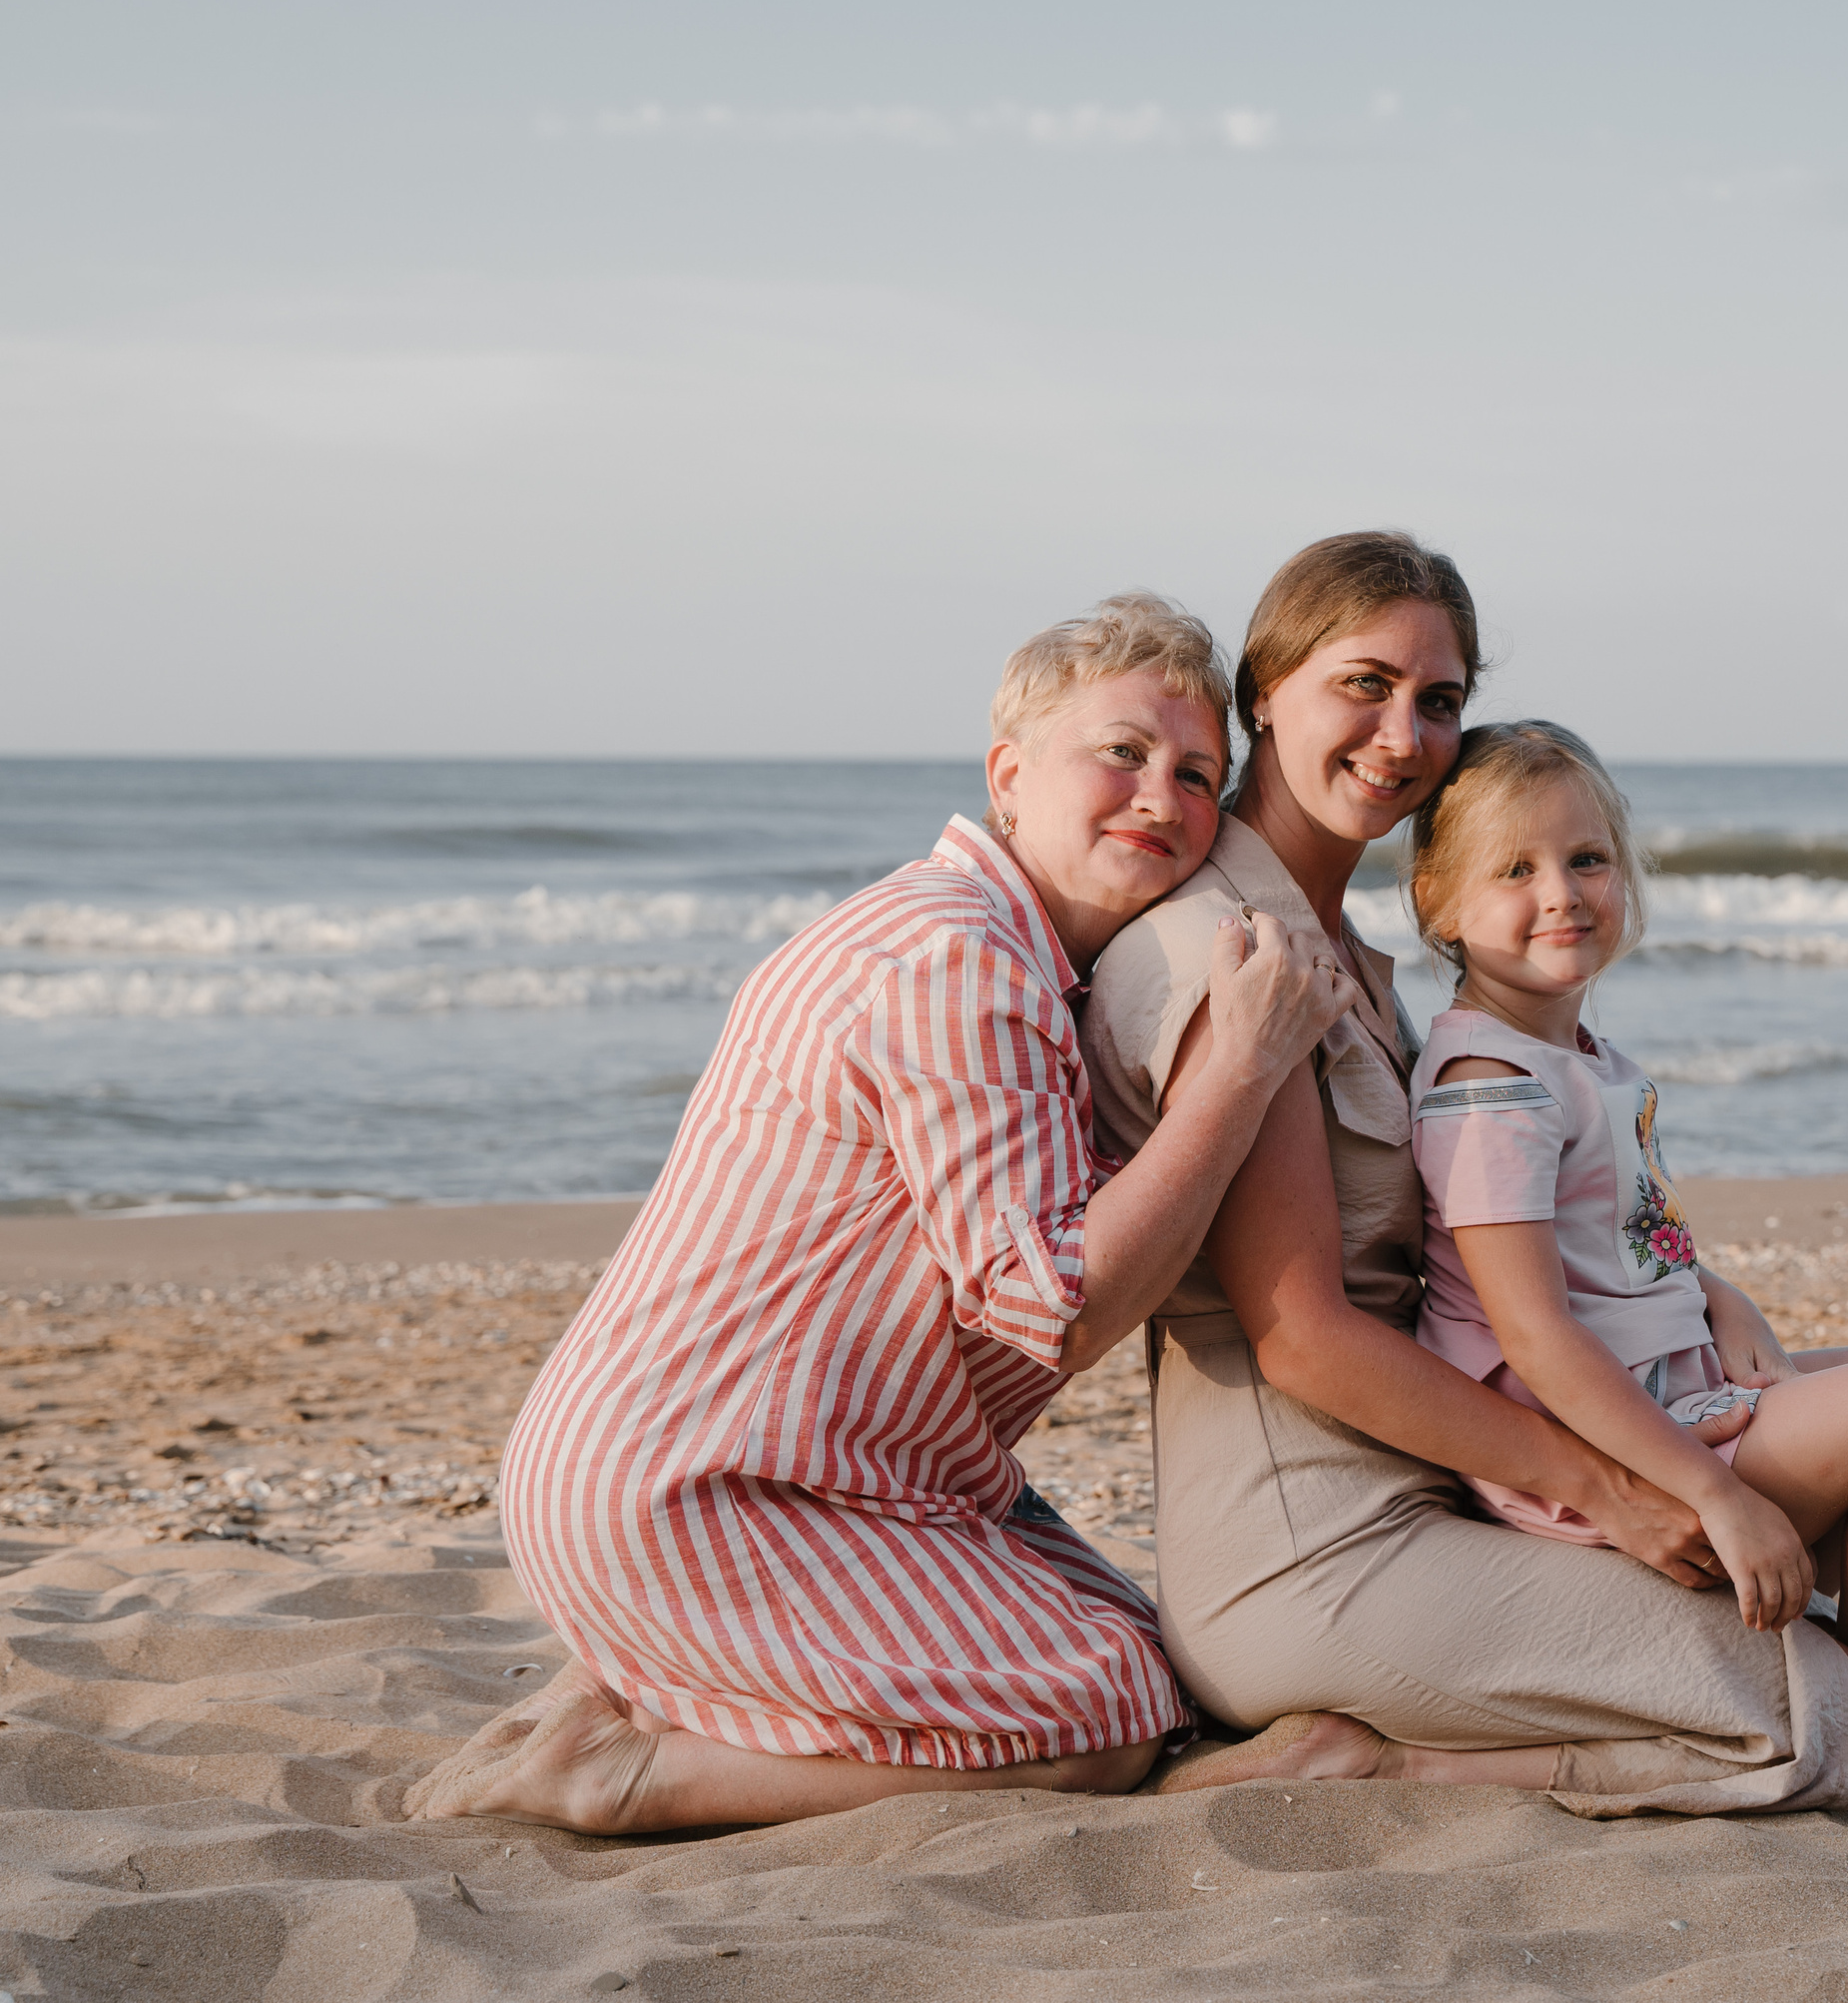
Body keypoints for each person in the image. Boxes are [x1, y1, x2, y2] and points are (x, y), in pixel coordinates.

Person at [1081, 531, 1848, 1814]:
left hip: (1454, 1487)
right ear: (1263, 692)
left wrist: (1704, 1302)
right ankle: (1375, 1757)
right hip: (1321, 1550)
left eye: (1440, 700)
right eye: (1362, 684)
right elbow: (1301, 1336)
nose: (1402, 737)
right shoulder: (1235, 957)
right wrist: (1618, 1495)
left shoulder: (1345, 953)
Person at [408, 595, 1355, 1833]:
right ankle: (619, 1773)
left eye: (1196, 775)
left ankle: (663, 1696)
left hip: (839, 1475)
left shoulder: (991, 943)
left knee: (1168, 1664)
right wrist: (1237, 1074)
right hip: (703, 1494)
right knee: (1110, 1716)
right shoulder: (955, 959)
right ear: (1009, 775)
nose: (1162, 799)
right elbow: (1052, 1310)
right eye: (1120, 753)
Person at [1403, 719, 1848, 1722]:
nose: (1561, 892)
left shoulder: (1576, 1053)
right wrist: (1715, 1496)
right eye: (1515, 869)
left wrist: (1719, 1295)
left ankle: (1823, 1629)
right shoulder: (1489, 1086)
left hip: (1668, 1383)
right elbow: (1535, 1335)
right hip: (1607, 1448)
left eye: (1587, 858)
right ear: (1440, 904)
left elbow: (1625, 1233)